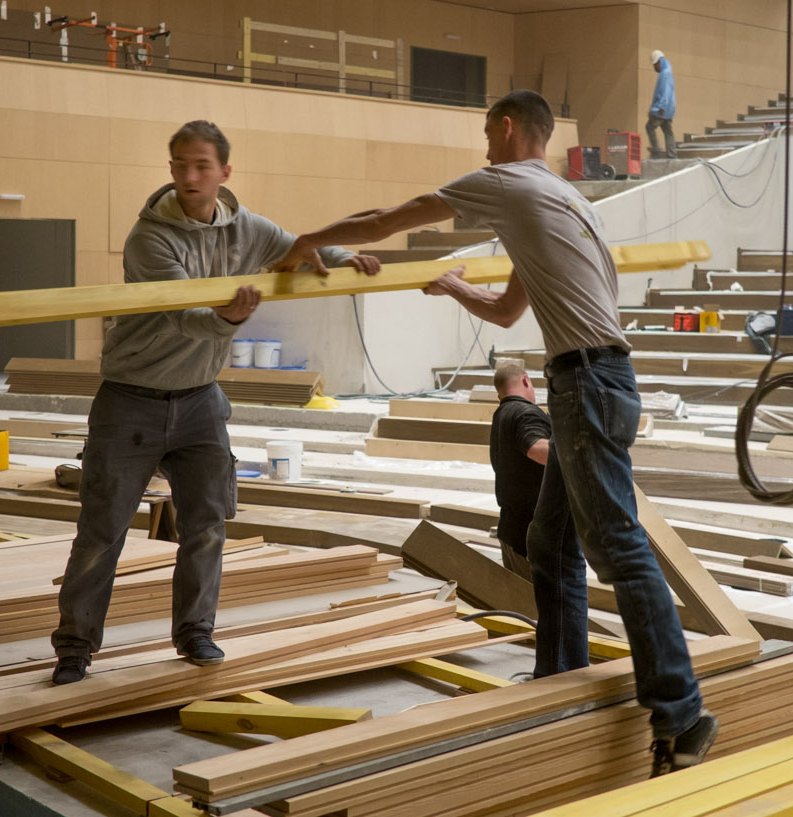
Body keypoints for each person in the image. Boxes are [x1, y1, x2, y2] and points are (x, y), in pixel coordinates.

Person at [272, 89, 717, 778]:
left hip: (586, 386)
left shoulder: (507, 181)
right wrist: (452, 287)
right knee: (550, 537)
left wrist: (308, 241)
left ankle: (681, 710)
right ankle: (562, 670)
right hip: (606, 381)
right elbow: (509, 309)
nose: (483, 148)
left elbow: (388, 219)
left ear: (508, 129)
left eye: (487, 134)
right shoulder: (567, 204)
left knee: (619, 549)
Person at [49, 121, 380, 685]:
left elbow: (299, 248)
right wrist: (228, 319)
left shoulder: (246, 229)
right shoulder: (148, 238)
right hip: (130, 402)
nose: (189, 176)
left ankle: (195, 633)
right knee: (102, 533)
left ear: (225, 172)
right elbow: (186, 316)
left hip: (201, 402)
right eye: (179, 164)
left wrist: (346, 256)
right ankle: (75, 646)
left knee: (205, 526)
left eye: (202, 165)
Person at [488, 361, 552, 581]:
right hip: (531, 538)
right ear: (526, 380)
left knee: (519, 608)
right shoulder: (526, 413)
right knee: (537, 609)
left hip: (511, 530)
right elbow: (537, 448)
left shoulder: (502, 414)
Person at [647, 50, 677, 159]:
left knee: (649, 127)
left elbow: (665, 91)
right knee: (668, 131)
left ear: (659, 62)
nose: (655, 68)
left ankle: (656, 149)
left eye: (655, 65)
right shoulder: (668, 72)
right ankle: (671, 154)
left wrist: (661, 107)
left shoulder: (665, 74)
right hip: (669, 109)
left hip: (662, 108)